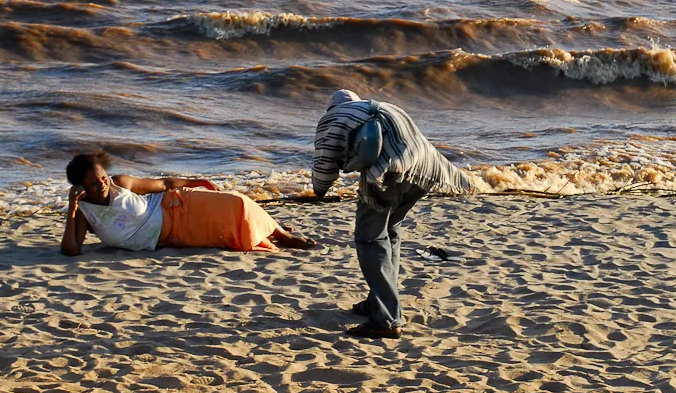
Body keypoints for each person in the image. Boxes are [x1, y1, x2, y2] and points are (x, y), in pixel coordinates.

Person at [312, 89, 472, 339]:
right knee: (389, 232)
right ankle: (378, 302)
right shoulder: (383, 107)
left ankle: (386, 319)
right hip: (425, 169)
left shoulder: (333, 118)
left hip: (388, 172)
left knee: (369, 239)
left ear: (331, 108)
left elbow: (324, 163)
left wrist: (319, 191)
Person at [61, 151, 316, 256]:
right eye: (94, 183)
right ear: (81, 187)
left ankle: (280, 233)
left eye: (103, 177)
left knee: (238, 202)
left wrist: (195, 182)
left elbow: (161, 184)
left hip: (178, 204)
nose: (102, 184)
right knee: (234, 239)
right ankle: (269, 229)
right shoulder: (84, 212)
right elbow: (71, 250)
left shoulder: (121, 183)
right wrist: (72, 209)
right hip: (177, 235)